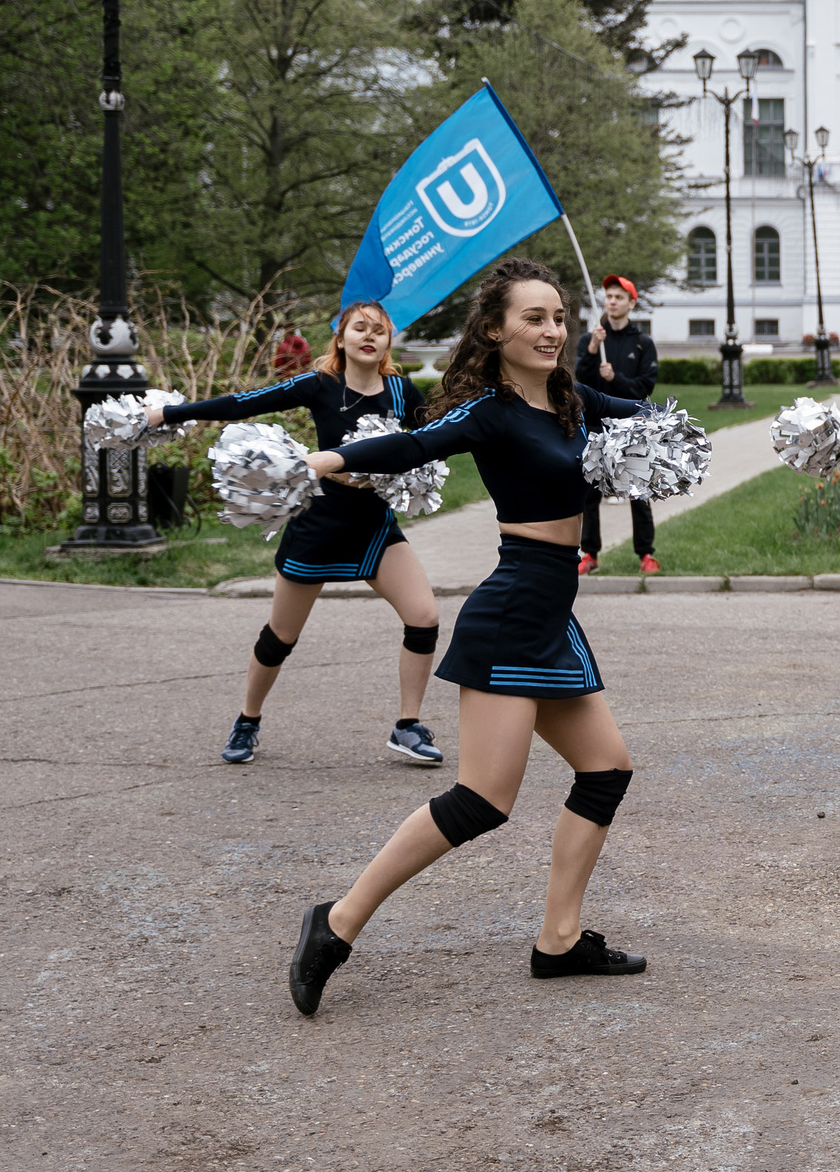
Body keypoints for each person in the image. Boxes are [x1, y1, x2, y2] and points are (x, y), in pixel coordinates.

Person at [282, 258, 654, 1017]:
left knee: (606, 770)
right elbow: (410, 446)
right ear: (495, 329)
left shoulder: (576, 402)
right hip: (514, 610)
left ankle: (559, 939)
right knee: (483, 798)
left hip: (552, 615)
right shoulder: (489, 411)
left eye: (558, 318)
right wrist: (330, 457)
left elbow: (651, 416)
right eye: (534, 318)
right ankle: (338, 921)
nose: (552, 330)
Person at [149, 301, 444, 769]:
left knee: (424, 617)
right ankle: (248, 719)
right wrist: (171, 412)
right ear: (341, 338)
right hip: (319, 524)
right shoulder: (320, 385)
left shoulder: (401, 391)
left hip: (374, 525)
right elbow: (245, 402)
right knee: (281, 636)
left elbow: (439, 436)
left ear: (389, 342)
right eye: (359, 328)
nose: (369, 336)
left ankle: (407, 725)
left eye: (380, 331)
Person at [574, 274, 661, 576]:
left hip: (631, 428)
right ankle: (590, 554)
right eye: (609, 296)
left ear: (631, 303)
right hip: (596, 427)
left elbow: (643, 388)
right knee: (590, 493)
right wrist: (593, 348)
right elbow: (580, 381)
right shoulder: (591, 339)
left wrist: (616, 379)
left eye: (619, 297)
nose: (612, 302)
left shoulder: (642, 343)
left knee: (638, 491)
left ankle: (646, 554)